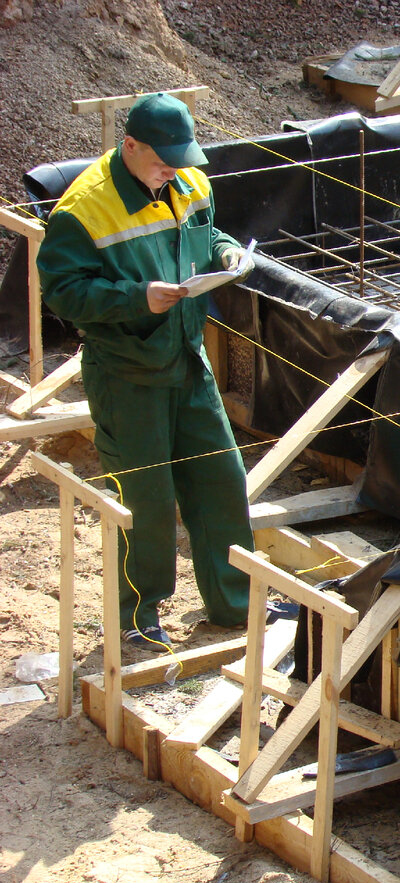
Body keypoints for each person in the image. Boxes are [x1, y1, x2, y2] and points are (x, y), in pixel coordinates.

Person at [37, 92, 264, 652]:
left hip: (188, 359)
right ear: (129, 145)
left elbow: (206, 237)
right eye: (162, 160)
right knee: (146, 500)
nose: (173, 171)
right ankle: (137, 618)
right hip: (127, 373)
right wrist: (138, 297)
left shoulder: (190, 183)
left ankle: (235, 602)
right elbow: (62, 294)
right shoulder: (82, 210)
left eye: (180, 159)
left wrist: (228, 252)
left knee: (220, 482)